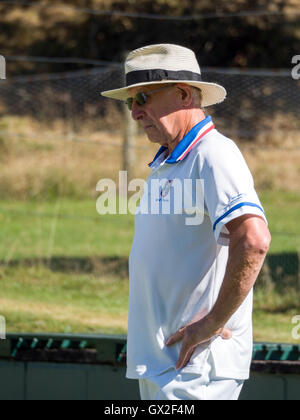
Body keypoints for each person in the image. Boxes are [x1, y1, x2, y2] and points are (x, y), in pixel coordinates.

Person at [101, 44, 271, 401]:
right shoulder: (170, 161)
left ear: (182, 94)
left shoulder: (214, 154)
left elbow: (253, 240)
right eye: (129, 101)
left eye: (143, 97)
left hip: (197, 370)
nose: (135, 113)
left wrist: (212, 323)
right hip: (168, 366)